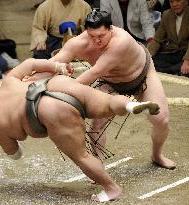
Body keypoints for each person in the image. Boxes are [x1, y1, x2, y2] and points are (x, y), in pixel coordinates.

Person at [0, 58, 160, 202]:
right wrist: (57, 67)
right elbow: (31, 63)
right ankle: (129, 106)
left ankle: (112, 189)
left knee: (82, 156)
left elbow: (15, 153)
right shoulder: (8, 82)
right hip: (56, 84)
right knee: (108, 102)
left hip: (48, 111)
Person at [50, 10, 176, 169]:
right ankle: (98, 165)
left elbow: (94, 73)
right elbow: (53, 62)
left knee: (161, 119)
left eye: (101, 36)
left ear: (110, 29)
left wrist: (64, 89)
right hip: (110, 81)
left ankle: (157, 155)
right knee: (96, 126)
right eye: (92, 36)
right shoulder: (77, 44)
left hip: (141, 75)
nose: (96, 41)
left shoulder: (121, 41)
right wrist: (31, 75)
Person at [147, 0, 189, 76]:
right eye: (171, 2)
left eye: (178, 1)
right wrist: (147, 56)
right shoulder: (167, 15)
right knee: (151, 62)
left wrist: (187, 61)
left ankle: (169, 70)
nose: (174, 4)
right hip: (173, 52)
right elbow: (157, 39)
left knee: (185, 68)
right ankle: (173, 70)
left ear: (186, 1)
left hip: (186, 53)